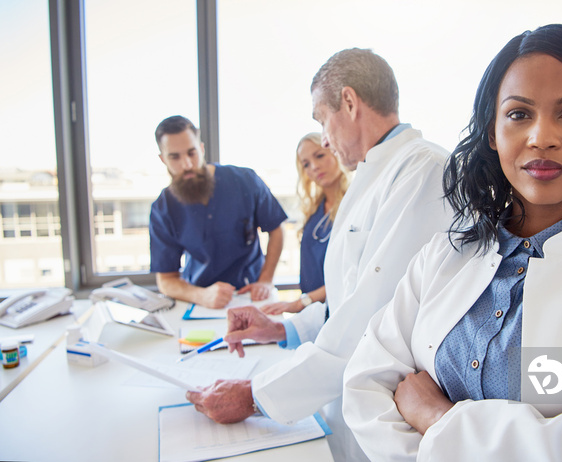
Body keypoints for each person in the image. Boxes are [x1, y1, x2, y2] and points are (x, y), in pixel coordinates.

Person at [343, 24, 562, 461]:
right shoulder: (442, 258)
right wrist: (551, 439)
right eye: (518, 114)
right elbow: (365, 386)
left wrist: (438, 419)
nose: (541, 137)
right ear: (492, 132)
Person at [186, 48, 453, 461]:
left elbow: (372, 318)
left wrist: (255, 394)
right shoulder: (376, 174)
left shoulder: (422, 172)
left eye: (321, 119)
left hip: (392, 413)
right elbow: (347, 298)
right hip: (350, 398)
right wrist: (283, 328)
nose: (324, 138)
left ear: (349, 102)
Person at [149, 115, 287, 308]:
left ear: (202, 149)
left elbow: (276, 229)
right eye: (175, 157)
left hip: (250, 293)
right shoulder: (163, 209)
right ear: (163, 159)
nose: (187, 164)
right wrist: (201, 296)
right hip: (200, 299)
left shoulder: (245, 180)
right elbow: (166, 280)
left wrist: (265, 279)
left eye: (192, 153)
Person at [261, 133, 350, 315]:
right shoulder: (315, 209)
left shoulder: (354, 204)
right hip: (311, 312)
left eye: (319, 156)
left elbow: (351, 274)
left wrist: (303, 302)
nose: (314, 167)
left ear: (335, 152)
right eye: (306, 164)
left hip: (337, 311)